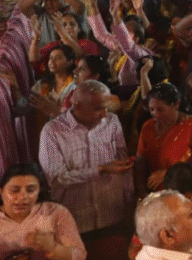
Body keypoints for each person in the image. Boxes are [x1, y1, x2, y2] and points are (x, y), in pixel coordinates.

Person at [36, 79, 134, 237]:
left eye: (106, 108)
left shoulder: (112, 122)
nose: (104, 114)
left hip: (113, 215)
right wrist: (100, 170)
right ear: (78, 106)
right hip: (77, 222)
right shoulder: (52, 132)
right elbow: (57, 178)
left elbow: (124, 166)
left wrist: (129, 203)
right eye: (98, 109)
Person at [135, 82, 192, 195]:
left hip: (185, 194)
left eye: (160, 110)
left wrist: (169, 174)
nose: (155, 114)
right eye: (152, 110)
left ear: (176, 104)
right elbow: (140, 162)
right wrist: (142, 191)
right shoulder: (148, 127)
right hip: (155, 195)